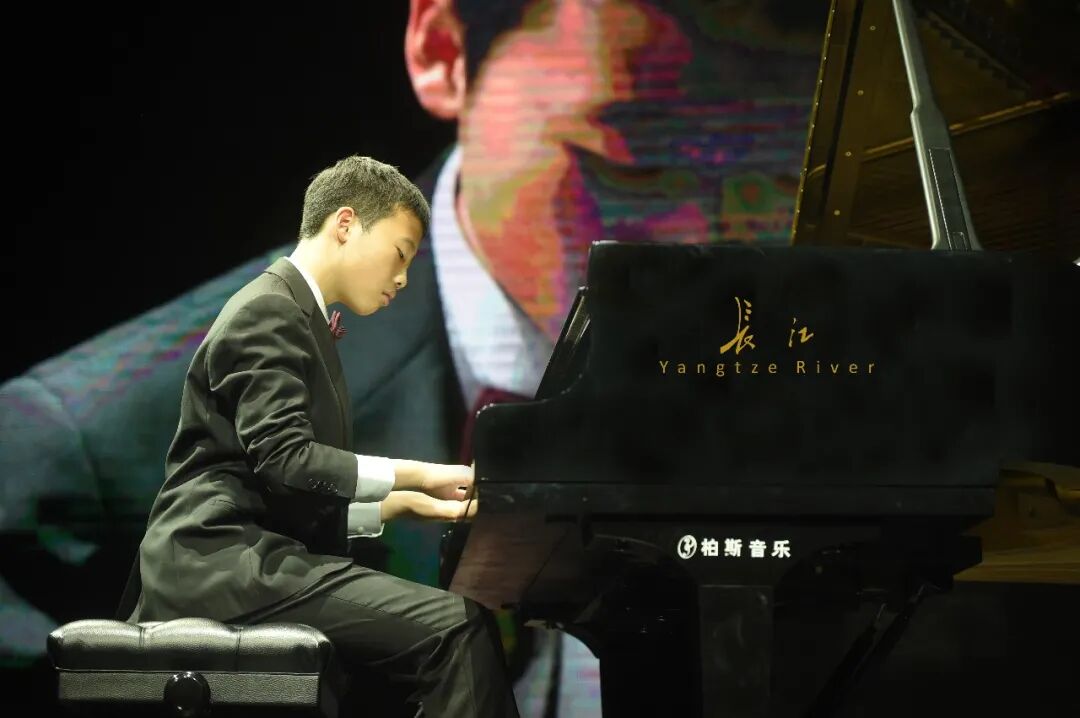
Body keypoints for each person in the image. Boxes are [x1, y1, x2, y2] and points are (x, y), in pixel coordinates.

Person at [124, 154, 519, 718]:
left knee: (425, 644)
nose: (403, 278)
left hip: (245, 558)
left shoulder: (292, 312)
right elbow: (287, 460)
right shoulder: (270, 310)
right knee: (457, 627)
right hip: (219, 563)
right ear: (345, 224)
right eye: (400, 253)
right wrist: (422, 473)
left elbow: (275, 485)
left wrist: (401, 505)